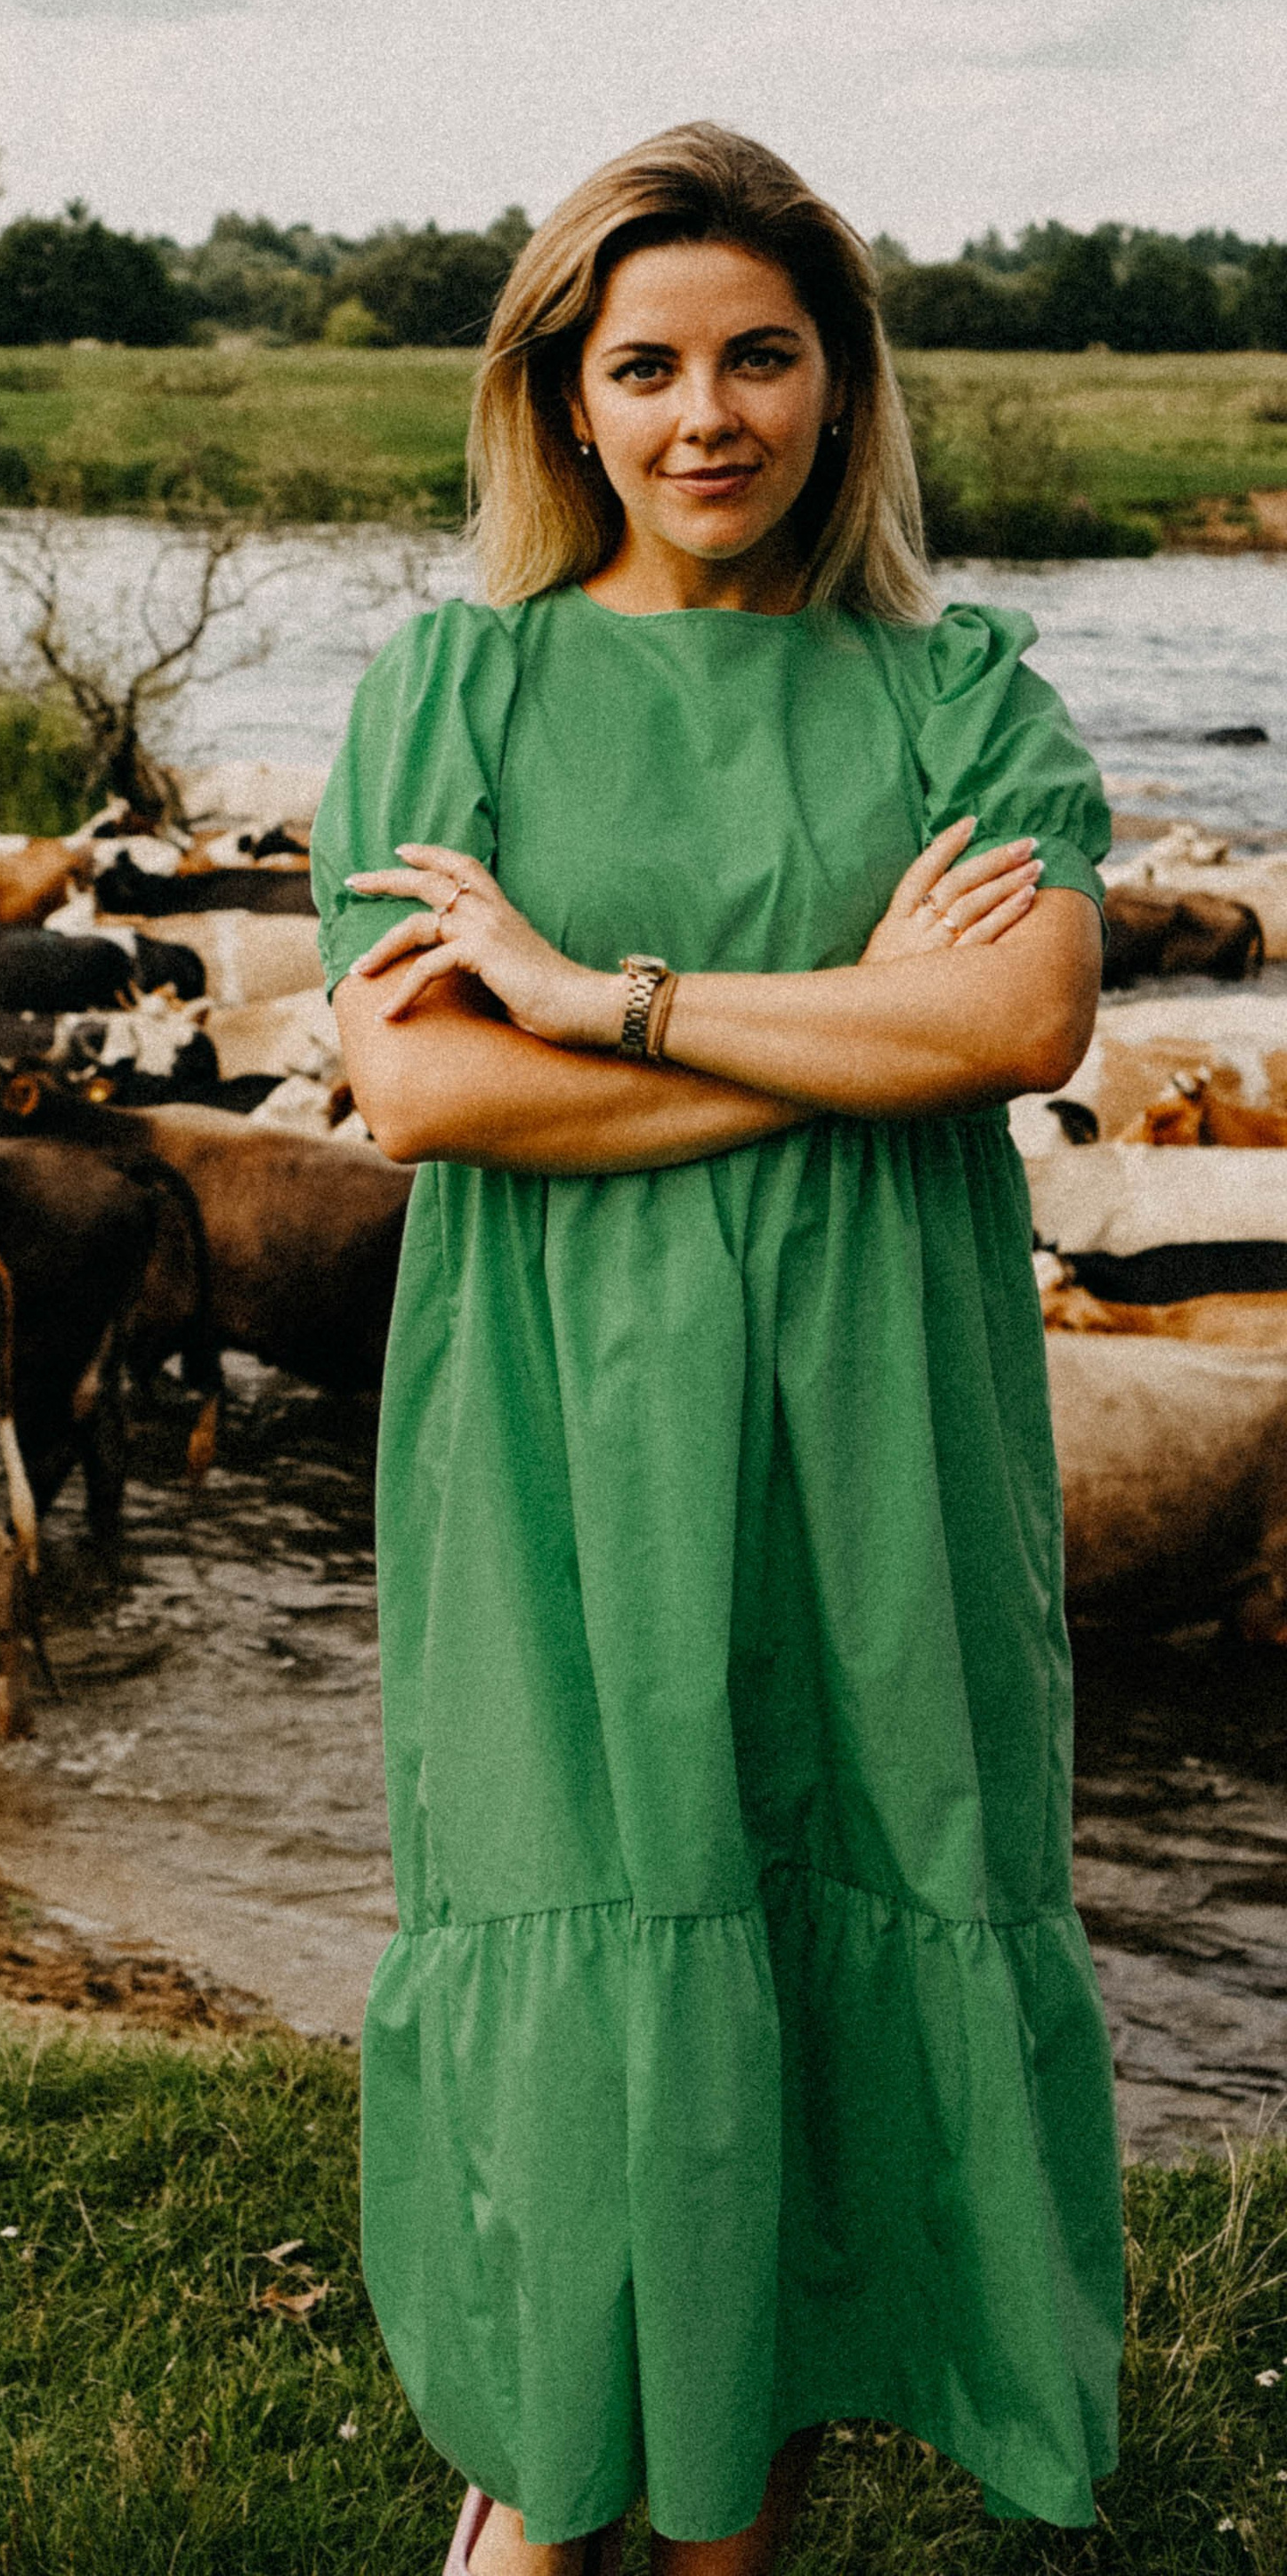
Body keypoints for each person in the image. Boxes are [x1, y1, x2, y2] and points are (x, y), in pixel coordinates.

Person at [309, 124, 1121, 2576]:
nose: (707, 415)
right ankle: (536, 2521)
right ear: (561, 399)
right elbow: (429, 1084)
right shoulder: (455, 689)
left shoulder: (955, 686)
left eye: (762, 355)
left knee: (827, 1951)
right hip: (565, 1444)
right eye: (644, 364)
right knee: (608, 1964)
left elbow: (1023, 1023)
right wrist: (834, 1021)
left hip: (884, 1437)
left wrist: (613, 997)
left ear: (842, 382)